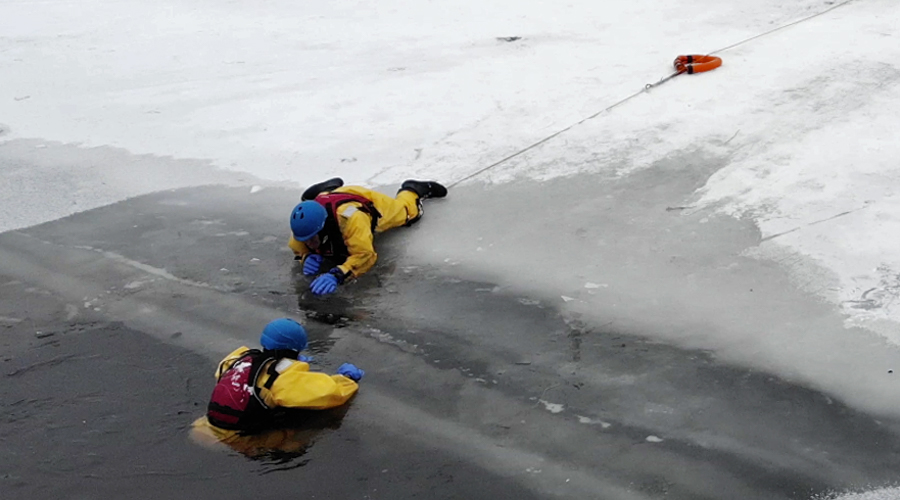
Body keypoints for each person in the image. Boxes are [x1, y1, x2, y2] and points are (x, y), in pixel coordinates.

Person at [288, 177, 447, 296]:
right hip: (328, 199)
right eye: (305, 240)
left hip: (366, 203)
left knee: (408, 213)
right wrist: (306, 256)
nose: (308, 243)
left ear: (323, 229)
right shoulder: (304, 227)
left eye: (312, 239)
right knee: (322, 202)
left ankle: (412, 188)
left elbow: (365, 255)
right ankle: (329, 189)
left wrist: (338, 274)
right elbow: (298, 247)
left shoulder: (352, 219)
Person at [204, 318, 364, 433]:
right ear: (296, 350)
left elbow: (222, 374)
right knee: (301, 437)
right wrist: (347, 379)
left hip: (204, 429)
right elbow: (330, 394)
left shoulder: (237, 358)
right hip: (236, 439)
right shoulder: (283, 377)